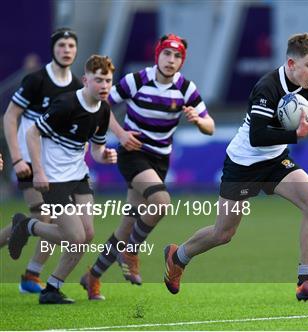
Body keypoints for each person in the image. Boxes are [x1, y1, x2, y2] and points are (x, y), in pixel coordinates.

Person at [162, 33, 308, 301]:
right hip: (243, 164)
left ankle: (306, 281)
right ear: (291, 64)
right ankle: (178, 256)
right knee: (223, 233)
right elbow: (258, 136)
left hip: (275, 161)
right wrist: (297, 136)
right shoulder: (266, 87)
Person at [81, 34, 215, 300]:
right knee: (161, 202)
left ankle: (92, 276)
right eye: (167, 54)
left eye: (177, 56)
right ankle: (130, 251)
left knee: (127, 225)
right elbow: (102, 104)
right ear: (158, 55)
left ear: (181, 61)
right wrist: (120, 134)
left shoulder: (186, 89)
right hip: (133, 153)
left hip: (159, 160)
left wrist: (198, 122)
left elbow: (209, 125)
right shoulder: (138, 79)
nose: (171, 60)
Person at [8, 55, 117, 304]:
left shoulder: (104, 110)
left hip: (78, 176)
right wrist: (39, 171)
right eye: (98, 80)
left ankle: (52, 288)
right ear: (86, 80)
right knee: (75, 237)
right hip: (53, 178)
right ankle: (27, 226)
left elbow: (97, 150)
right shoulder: (66, 104)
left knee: (87, 234)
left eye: (108, 81)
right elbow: (33, 133)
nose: (104, 86)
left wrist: (106, 155)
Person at [1, 27, 82, 294]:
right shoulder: (36, 80)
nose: (66, 50)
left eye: (71, 46)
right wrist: (16, 159)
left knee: (45, 221)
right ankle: (32, 273)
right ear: (53, 49)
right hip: (28, 160)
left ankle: (32, 273)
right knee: (43, 216)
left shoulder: (76, 86)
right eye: (62, 45)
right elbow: (10, 117)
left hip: (56, 166)